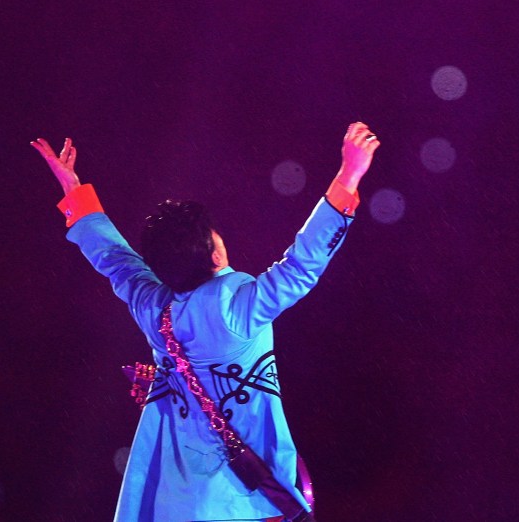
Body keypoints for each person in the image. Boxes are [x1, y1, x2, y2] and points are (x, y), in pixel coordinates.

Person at [31, 122, 380, 522]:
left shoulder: (152, 306)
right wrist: (348, 176)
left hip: (175, 503)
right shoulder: (236, 308)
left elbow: (114, 259)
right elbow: (302, 263)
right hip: (243, 502)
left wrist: (73, 192)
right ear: (215, 255)